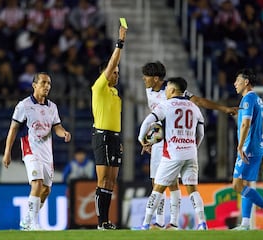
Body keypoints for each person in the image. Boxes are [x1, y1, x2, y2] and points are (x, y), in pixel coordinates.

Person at [140, 61, 239, 229]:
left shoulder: (174, 91)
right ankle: (159, 221)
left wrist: (223, 109)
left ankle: (172, 221)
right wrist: (150, 140)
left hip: (173, 143)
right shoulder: (150, 89)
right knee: (156, 181)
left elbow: (199, 101)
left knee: (171, 184)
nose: (144, 80)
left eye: (146, 77)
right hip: (160, 142)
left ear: (156, 78)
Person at [134, 77, 207, 230]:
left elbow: (148, 121)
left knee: (158, 189)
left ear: (173, 90)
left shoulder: (166, 105)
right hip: (191, 153)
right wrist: (193, 147)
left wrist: (141, 139)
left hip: (172, 154)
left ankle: (145, 224)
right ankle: (202, 223)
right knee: (192, 190)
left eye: (167, 88)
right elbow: (200, 133)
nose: (165, 91)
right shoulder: (194, 107)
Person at [2, 72, 72, 230]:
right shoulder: (24, 105)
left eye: (49, 83)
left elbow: (57, 127)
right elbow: (13, 129)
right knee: (37, 183)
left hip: (47, 152)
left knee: (46, 190)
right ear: (34, 85)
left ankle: (27, 218)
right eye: (43, 83)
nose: (47, 86)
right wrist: (7, 152)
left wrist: (64, 133)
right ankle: (33, 223)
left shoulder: (52, 107)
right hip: (30, 148)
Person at [232, 68, 263, 230]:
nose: (234, 84)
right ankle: (245, 224)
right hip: (257, 147)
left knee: (237, 185)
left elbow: (246, 123)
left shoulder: (248, 99)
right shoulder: (258, 99)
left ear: (246, 82)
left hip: (248, 147)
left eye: (237, 80)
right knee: (245, 184)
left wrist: (240, 145)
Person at [91, 24, 127, 230]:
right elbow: (112, 63)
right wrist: (120, 43)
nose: (117, 75)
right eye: (114, 72)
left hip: (114, 137)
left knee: (112, 181)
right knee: (103, 179)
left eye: (118, 73)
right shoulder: (99, 88)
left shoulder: (114, 93)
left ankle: (106, 221)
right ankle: (100, 222)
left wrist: (119, 140)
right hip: (102, 136)